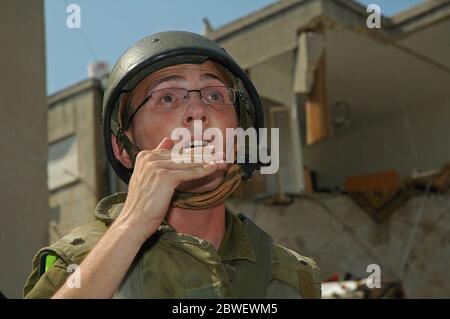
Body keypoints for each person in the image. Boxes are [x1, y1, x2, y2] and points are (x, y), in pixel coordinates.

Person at [23, 31, 321, 299]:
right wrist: (132, 225)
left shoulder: (294, 274)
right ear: (123, 148)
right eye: (167, 97)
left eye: (215, 94)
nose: (197, 111)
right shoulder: (77, 262)